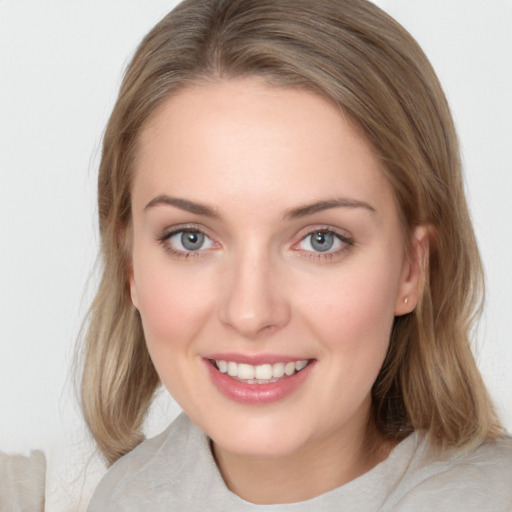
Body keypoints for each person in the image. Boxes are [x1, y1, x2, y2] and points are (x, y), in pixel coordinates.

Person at [81, 0, 512, 510]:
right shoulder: (126, 495)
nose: (250, 312)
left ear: (411, 269)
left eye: (321, 239)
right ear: (130, 264)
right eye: (191, 238)